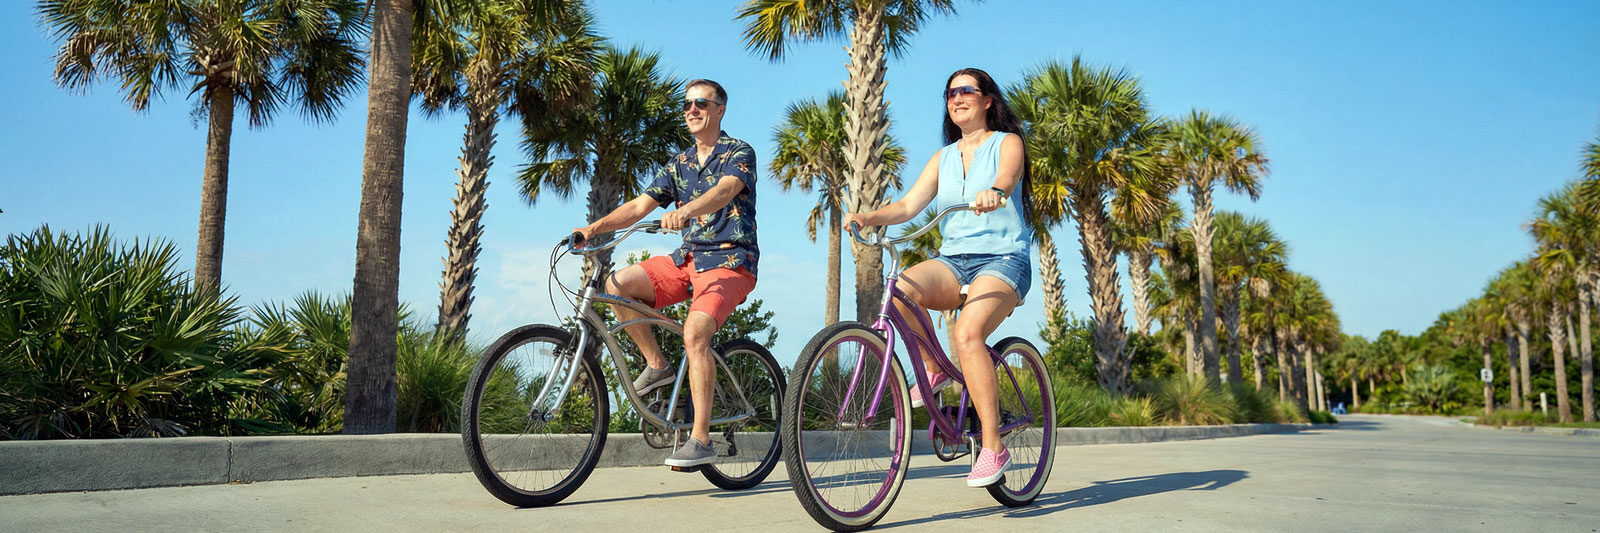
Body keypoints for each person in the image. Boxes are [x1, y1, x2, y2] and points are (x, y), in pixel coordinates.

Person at [841, 68, 1034, 487]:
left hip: (1002, 259)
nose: (956, 97)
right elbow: (909, 205)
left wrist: (996, 191)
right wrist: (868, 216)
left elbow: (1010, 175)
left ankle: (992, 447)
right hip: (954, 259)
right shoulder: (942, 157)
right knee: (900, 292)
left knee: (967, 334)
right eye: (950, 92)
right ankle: (934, 368)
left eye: (967, 90)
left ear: (987, 100)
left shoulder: (1007, 143)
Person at [571, 79, 759, 469]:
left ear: (720, 109)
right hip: (686, 261)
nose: (692, 109)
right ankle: (658, 366)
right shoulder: (679, 163)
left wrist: (686, 211)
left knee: (695, 333)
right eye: (687, 103)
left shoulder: (738, 152)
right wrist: (594, 229)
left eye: (701, 103)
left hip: (729, 261)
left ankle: (702, 440)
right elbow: (641, 205)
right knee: (617, 285)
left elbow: (725, 191)